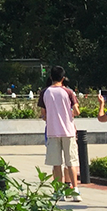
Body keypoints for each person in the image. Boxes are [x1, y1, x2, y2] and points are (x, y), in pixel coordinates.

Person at [39, 65, 82, 202]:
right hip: (68, 131)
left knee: (56, 164)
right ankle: (75, 190)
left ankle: (59, 192)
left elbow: (43, 114)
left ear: (51, 77)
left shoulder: (45, 92)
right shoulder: (68, 92)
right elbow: (76, 111)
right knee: (72, 162)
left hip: (52, 131)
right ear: (63, 78)